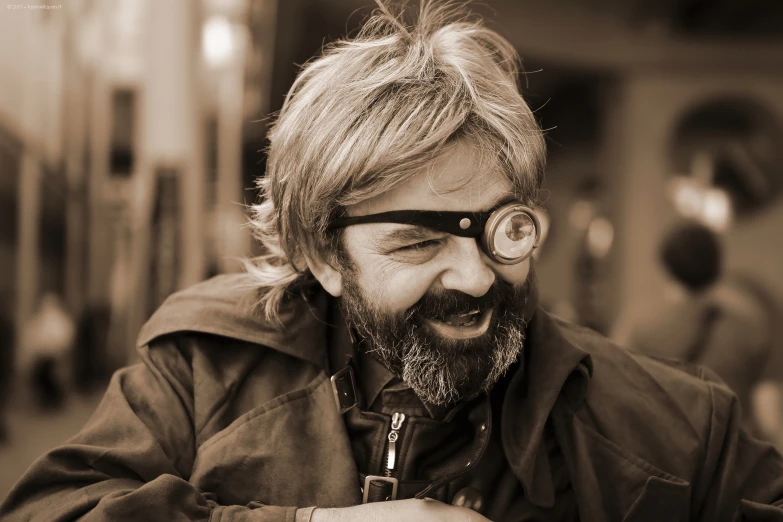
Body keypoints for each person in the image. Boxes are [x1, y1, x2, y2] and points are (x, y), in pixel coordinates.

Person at [3, 2, 783, 520]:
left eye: (503, 229)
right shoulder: (204, 368)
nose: (475, 277)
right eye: (417, 241)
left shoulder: (676, 431)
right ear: (322, 252)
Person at [613, 221, 775, 435]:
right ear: (717, 266)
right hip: (731, 451)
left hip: (665, 451)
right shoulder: (749, 328)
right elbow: (768, 411)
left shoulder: (639, 325)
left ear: (667, 266)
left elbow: (617, 395)